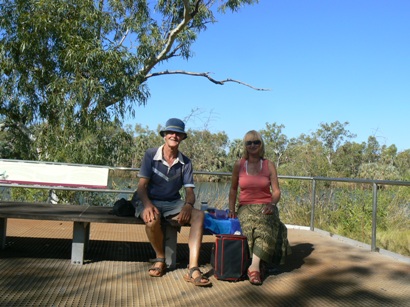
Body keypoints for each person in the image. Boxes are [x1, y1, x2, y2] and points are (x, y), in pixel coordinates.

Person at [132, 118, 211, 287]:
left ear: (182, 137)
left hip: (172, 202)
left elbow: (190, 192)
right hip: (148, 198)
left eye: (178, 133)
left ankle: (193, 268)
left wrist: (188, 206)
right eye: (170, 132)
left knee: (199, 216)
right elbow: (141, 187)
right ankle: (160, 258)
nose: (174, 136)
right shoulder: (150, 155)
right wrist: (147, 204)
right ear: (164, 135)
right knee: (152, 219)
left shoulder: (186, 162)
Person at [228, 130, 291, 285]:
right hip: (245, 206)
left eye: (256, 142)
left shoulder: (269, 165)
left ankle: (254, 267)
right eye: (249, 142)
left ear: (261, 144)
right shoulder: (239, 165)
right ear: (245, 146)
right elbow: (233, 189)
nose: (253, 145)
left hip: (266, 205)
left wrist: (272, 204)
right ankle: (256, 262)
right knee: (248, 223)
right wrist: (231, 209)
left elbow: (276, 191)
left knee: (264, 222)